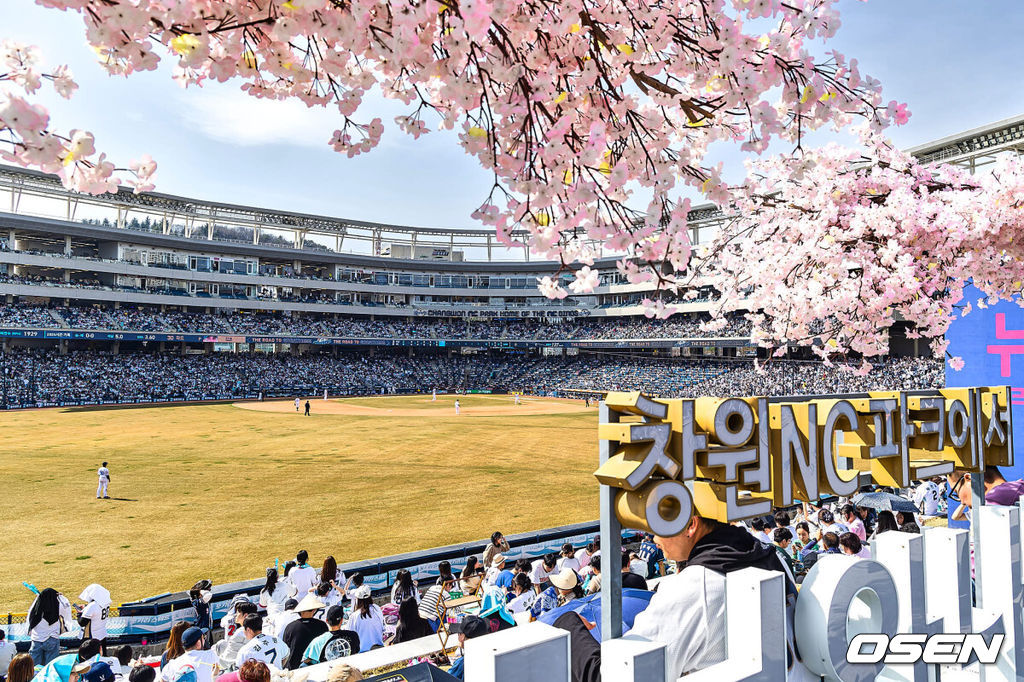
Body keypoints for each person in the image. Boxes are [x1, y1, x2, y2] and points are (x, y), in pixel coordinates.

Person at [553, 512, 807, 681]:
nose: (653, 538)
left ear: (690, 525)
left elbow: (616, 676)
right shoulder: (768, 553)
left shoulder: (692, 587)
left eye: (656, 528)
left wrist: (570, 625)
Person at [28, 587, 74, 665]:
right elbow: (66, 607)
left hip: (37, 640)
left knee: (34, 667)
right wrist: (61, 597)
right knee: (50, 667)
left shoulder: (36, 607)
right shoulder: (57, 606)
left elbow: (30, 618)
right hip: (52, 639)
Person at [281, 595, 328, 670]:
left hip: (295, 667)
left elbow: (285, 649)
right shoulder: (322, 625)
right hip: (317, 666)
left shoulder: (290, 627)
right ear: (314, 610)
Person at [446, 616, 489, 681]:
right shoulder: (491, 654)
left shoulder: (462, 663)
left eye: (459, 633)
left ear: (462, 637)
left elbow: (447, 678)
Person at [344, 586, 384, 653]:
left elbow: (350, 634)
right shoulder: (377, 608)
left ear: (357, 599)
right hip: (379, 648)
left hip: (363, 652)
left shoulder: (354, 616)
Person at [418, 562, 454, 630]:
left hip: (419, 615)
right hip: (428, 620)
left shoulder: (432, 587)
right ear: (448, 585)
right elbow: (451, 612)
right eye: (451, 585)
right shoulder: (446, 594)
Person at [78, 584, 112, 653]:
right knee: (103, 655)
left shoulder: (92, 606)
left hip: (91, 637)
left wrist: (79, 613)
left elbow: (82, 622)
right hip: (101, 634)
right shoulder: (106, 603)